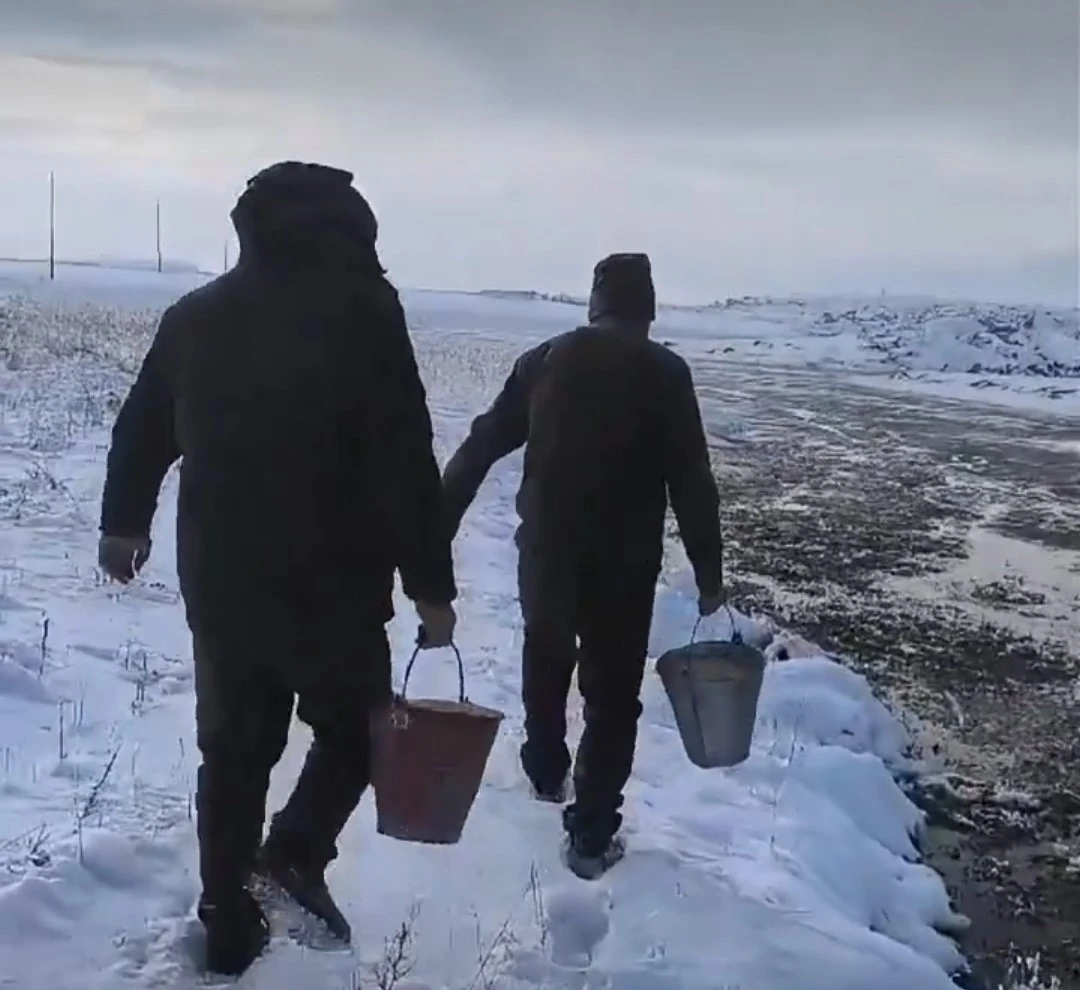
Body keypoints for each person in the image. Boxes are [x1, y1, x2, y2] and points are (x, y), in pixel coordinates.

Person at [97, 161, 457, 977]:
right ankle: (292, 852)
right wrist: (430, 585)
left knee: (233, 752)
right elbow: (404, 454)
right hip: (334, 582)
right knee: (363, 733)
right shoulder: (367, 312)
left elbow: (142, 429)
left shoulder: (197, 315)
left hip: (223, 582)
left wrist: (123, 525)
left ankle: (227, 921)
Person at [441, 252, 725, 880]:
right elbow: (693, 482)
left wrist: (437, 529)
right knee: (613, 696)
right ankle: (592, 834)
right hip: (625, 562)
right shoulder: (667, 373)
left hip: (549, 549)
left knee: (546, 654)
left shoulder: (548, 359)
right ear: (647, 310)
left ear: (595, 304)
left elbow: (482, 442)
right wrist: (710, 576)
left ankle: (545, 769)